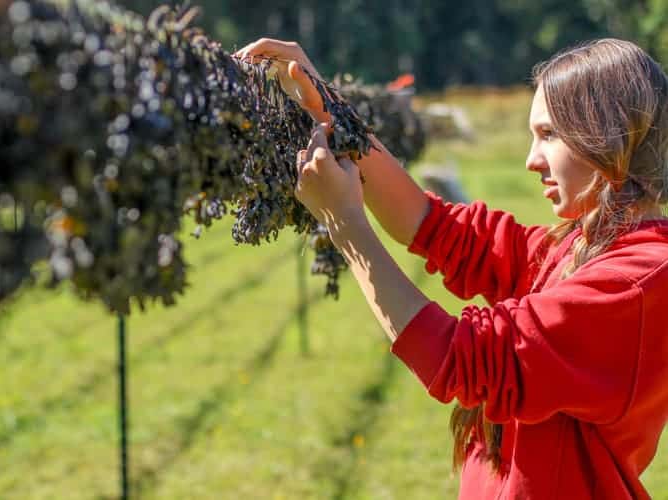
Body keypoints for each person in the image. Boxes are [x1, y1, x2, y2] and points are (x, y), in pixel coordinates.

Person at [235, 38, 668, 499]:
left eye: (549, 135)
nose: (531, 159)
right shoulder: (578, 247)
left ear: (606, 135)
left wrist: (347, 226)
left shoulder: (638, 280)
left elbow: (463, 360)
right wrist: (323, 102)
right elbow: (428, 223)